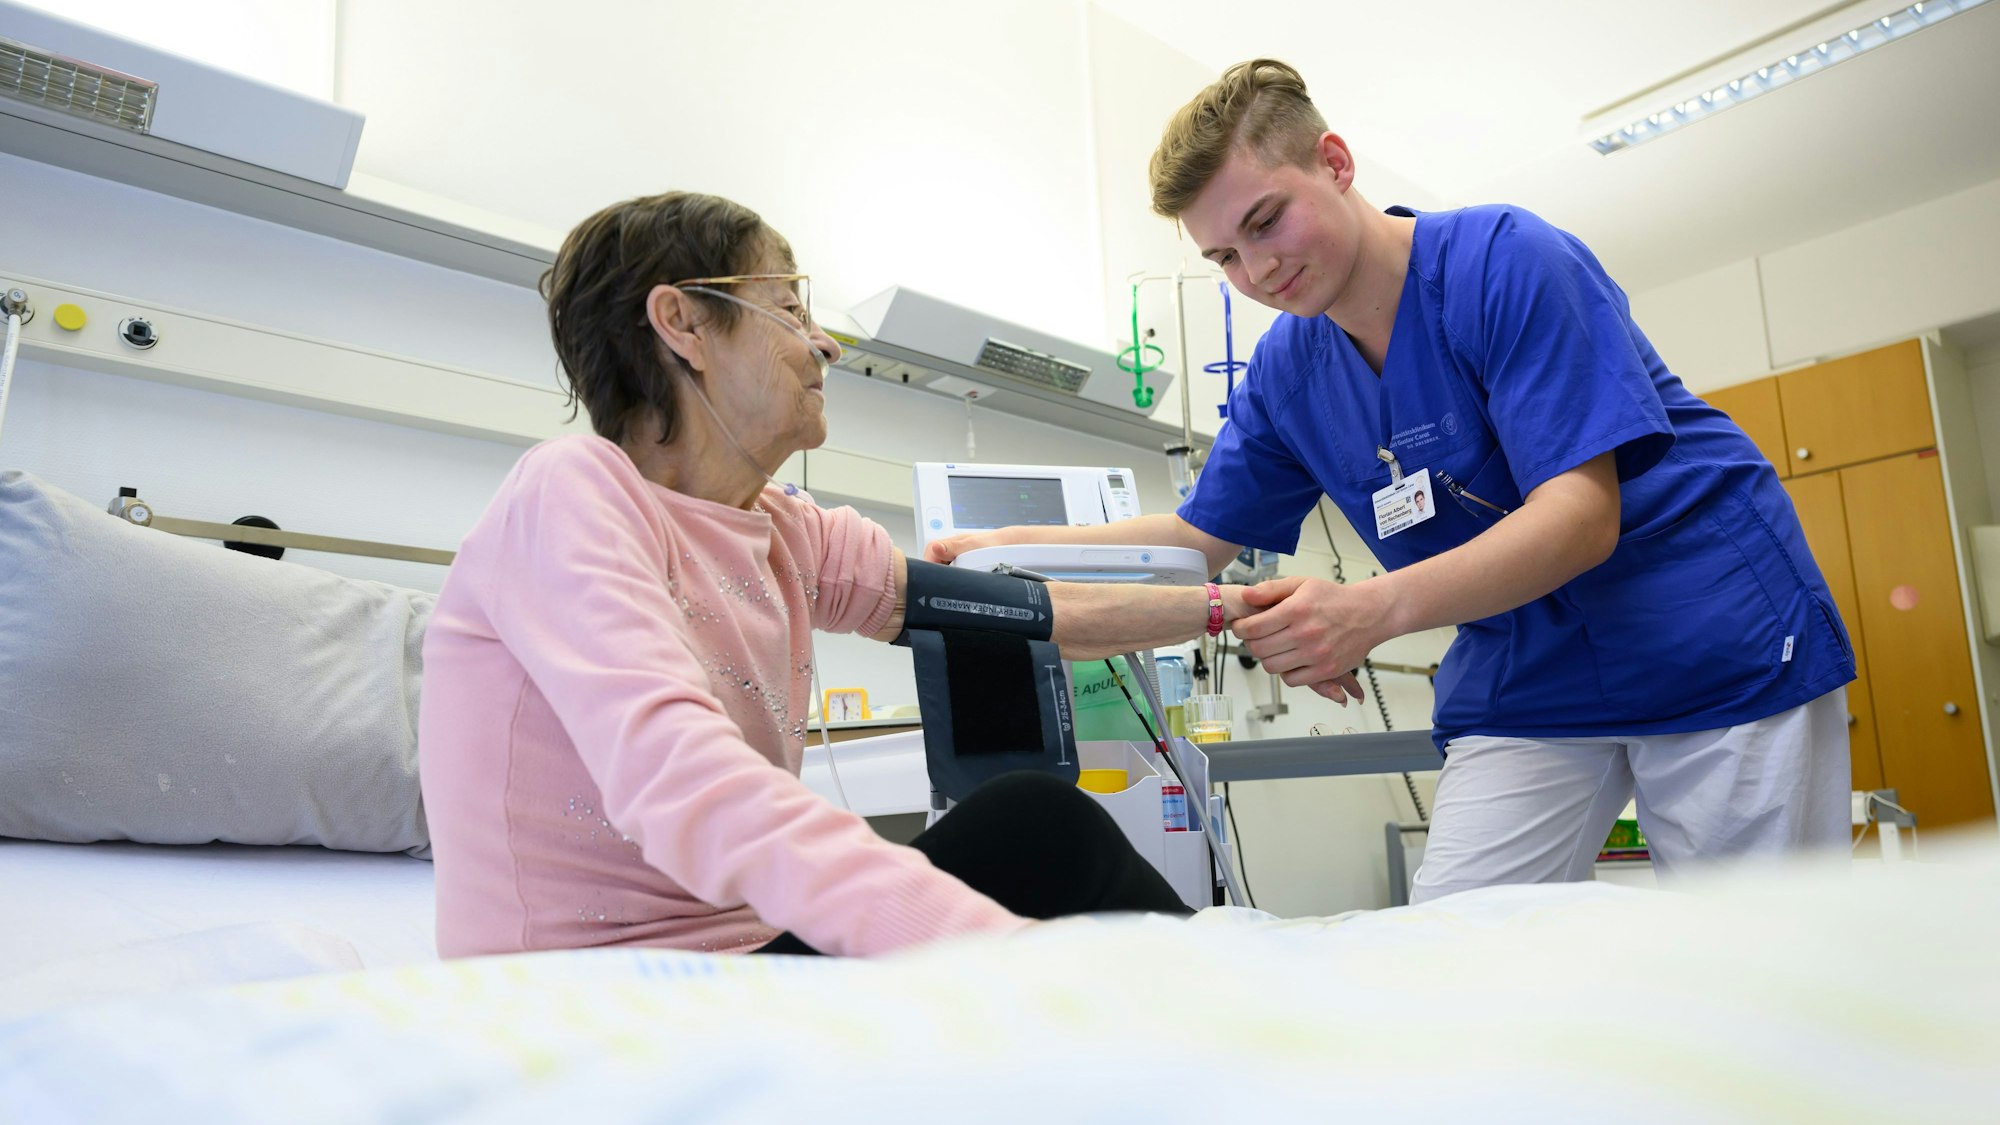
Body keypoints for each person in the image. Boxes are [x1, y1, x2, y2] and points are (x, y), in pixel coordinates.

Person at [928, 60, 1855, 903]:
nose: (1258, 271)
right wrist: (1006, 551)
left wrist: (1366, 613)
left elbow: (1580, 517)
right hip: (1530, 668)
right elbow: (1197, 540)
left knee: (1754, 959)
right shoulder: (1289, 371)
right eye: (1223, 258)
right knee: (1456, 954)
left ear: (1335, 163)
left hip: (1707, 629)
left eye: (1265, 222)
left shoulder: (1506, 261)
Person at [419, 192, 1248, 959]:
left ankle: (1228, 999)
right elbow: (682, 780)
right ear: (683, 323)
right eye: (789, 308)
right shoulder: (571, 492)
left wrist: (1228, 610)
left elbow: (1033, 613)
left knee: (1036, 820)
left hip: (748, 967)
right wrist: (991, 948)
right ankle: (1235, 1006)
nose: (825, 343)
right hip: (603, 991)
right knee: (1038, 826)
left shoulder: (785, 530)